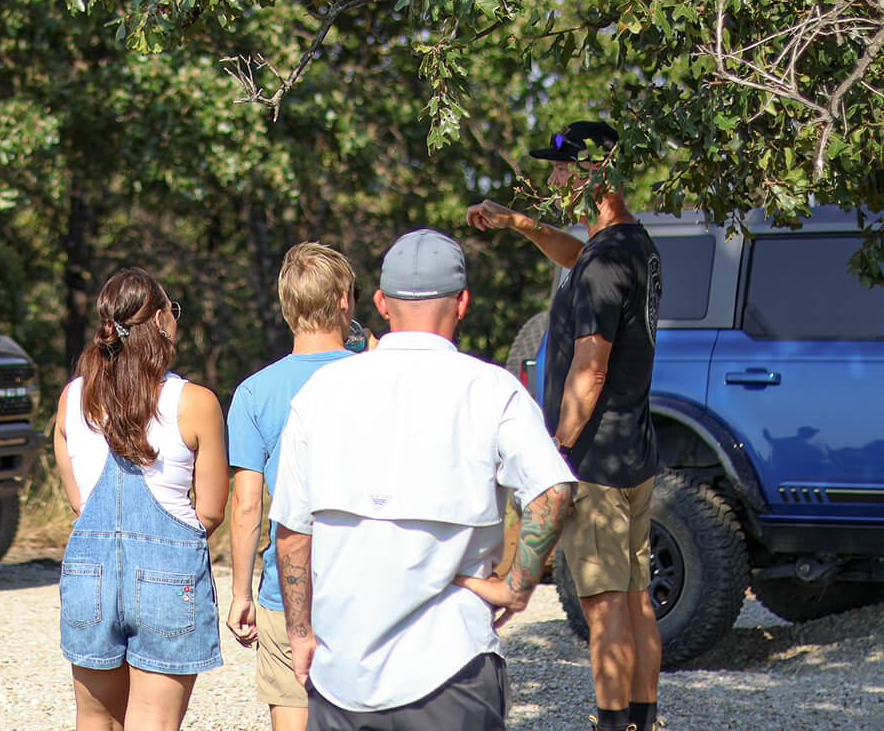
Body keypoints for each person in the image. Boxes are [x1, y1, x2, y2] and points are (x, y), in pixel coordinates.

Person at [271, 229, 576, 731]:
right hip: (451, 669)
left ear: (380, 303)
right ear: (462, 302)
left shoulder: (321, 393)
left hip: (341, 674)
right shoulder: (490, 389)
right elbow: (552, 488)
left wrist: (301, 634)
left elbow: (292, 533)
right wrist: (518, 586)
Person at [468, 120, 664, 731]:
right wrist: (520, 224)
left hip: (597, 463)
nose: (554, 178)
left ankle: (612, 724)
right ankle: (643, 719)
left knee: (604, 606)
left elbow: (591, 367)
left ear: (596, 172)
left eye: (563, 168)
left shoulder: (608, 261)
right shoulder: (630, 244)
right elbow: (578, 259)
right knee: (635, 598)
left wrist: (555, 452)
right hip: (634, 454)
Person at [54, 267, 228, 731]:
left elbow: (79, 500)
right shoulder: (195, 401)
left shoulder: (73, 398)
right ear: (160, 322)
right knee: (153, 720)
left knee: (94, 719)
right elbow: (211, 510)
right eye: (172, 309)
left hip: (90, 572)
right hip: (167, 578)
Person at [226, 241, 365, 731]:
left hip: (289, 589)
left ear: (287, 307)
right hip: (366, 581)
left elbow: (247, 507)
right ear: (345, 300)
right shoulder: (377, 379)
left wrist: (242, 591)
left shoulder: (253, 392)